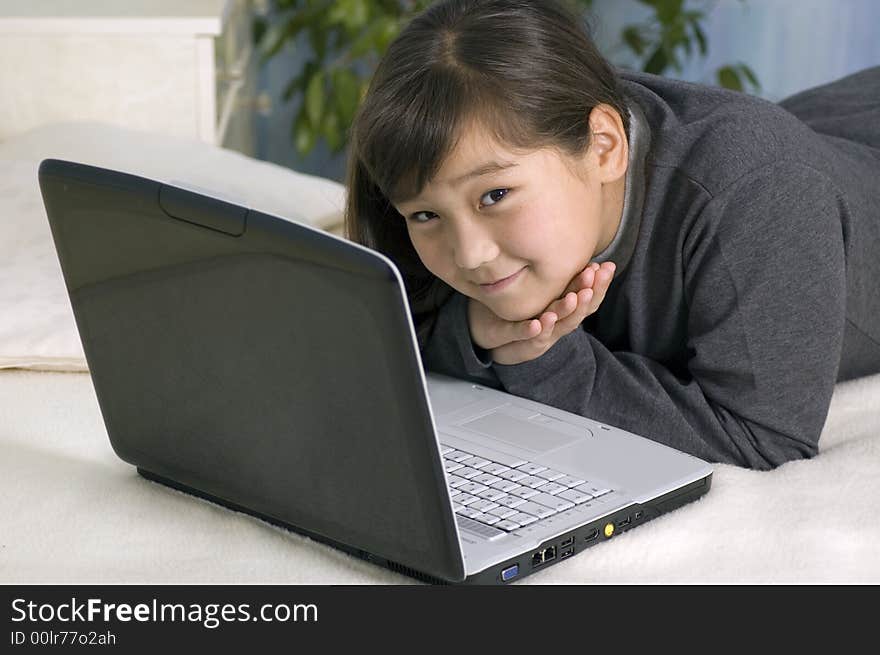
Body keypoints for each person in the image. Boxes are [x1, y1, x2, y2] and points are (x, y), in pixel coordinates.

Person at [343, 0, 880, 470]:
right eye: (425, 216)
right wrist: (478, 332)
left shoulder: (763, 196)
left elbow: (762, 441)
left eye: (495, 196)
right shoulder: (548, 122)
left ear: (605, 147)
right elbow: (399, 334)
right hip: (828, 123)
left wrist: (543, 361)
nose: (472, 255)